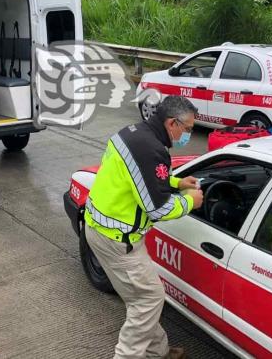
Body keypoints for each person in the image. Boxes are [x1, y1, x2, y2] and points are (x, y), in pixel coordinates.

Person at [84, 95, 204, 359]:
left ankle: (157, 351)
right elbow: (158, 208)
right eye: (188, 129)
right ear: (172, 123)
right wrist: (189, 201)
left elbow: (143, 177)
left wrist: (176, 183)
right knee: (149, 299)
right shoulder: (153, 150)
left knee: (141, 299)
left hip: (99, 230)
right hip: (119, 241)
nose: (188, 135)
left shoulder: (133, 133)